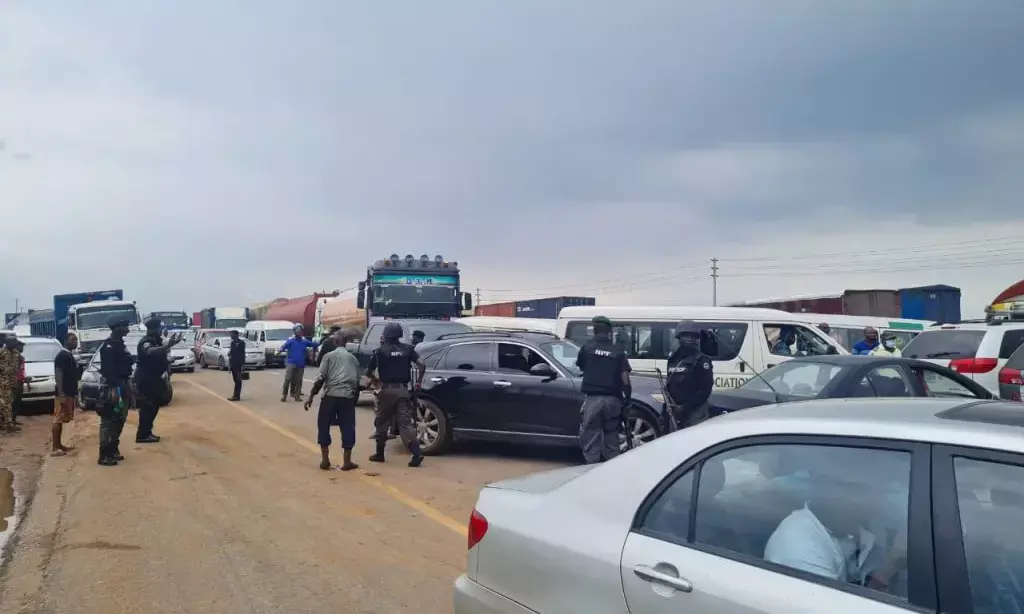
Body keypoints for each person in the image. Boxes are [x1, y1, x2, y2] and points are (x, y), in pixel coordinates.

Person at [365, 322, 425, 467]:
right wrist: (418, 382)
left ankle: (379, 454)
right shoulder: (408, 349)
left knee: (382, 422)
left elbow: (368, 372)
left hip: (386, 391)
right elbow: (422, 364)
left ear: (385, 335)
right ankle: (417, 454)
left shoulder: (379, 351)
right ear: (400, 334)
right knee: (405, 423)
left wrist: (375, 380)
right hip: (403, 390)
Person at [574, 315, 631, 464]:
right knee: (612, 439)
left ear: (594, 331)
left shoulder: (586, 348)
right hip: (613, 401)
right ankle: (613, 470)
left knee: (590, 438)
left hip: (593, 401)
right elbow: (625, 379)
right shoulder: (618, 351)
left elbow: (581, 366)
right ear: (609, 332)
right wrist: (627, 399)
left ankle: (591, 470)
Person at [305, 328, 361, 471]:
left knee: (323, 425)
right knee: (348, 427)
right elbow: (357, 384)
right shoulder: (353, 359)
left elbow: (320, 379)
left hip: (330, 396)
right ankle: (347, 461)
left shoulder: (328, 357)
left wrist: (311, 396)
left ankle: (325, 460)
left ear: (335, 342)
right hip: (347, 397)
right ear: (346, 343)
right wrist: (353, 401)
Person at [135, 317, 182, 443]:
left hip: (154, 378)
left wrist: (168, 359)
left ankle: (147, 431)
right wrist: (167, 346)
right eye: (159, 327)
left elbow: (157, 357)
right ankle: (142, 435)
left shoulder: (156, 340)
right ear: (152, 329)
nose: (161, 329)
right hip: (146, 378)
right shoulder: (146, 341)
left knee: (154, 405)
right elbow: (150, 352)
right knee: (147, 406)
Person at [97, 318, 135, 465]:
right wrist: (115, 390)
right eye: (124, 326)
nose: (127, 328)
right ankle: (104, 454)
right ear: (116, 328)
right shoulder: (109, 347)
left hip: (122, 384)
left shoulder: (120, 344)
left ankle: (113, 449)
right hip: (113, 387)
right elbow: (109, 371)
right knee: (108, 421)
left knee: (120, 418)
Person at [666, 320, 715, 429]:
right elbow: (669, 384)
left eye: (693, 337)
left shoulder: (702, 360)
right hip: (675, 410)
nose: (690, 339)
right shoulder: (673, 359)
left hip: (695, 411)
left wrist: (686, 408)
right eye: (686, 336)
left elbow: (705, 390)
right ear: (679, 337)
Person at [52, 333, 80, 456]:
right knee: (58, 419)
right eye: (73, 340)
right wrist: (62, 394)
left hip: (69, 392)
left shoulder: (68, 355)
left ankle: (59, 445)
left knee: (63, 418)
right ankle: (54, 448)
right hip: (63, 393)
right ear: (66, 341)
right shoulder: (62, 356)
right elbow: (59, 374)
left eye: (76, 340)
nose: (76, 342)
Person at [280, 324, 319, 402]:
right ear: (294, 332)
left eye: (300, 332)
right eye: (297, 331)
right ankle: (284, 395)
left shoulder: (304, 342)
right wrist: (280, 349)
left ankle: (297, 396)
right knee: (287, 379)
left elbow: (314, 344)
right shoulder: (290, 341)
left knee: (299, 381)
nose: (299, 333)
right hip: (291, 363)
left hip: (300, 364)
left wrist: (322, 341)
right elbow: (283, 347)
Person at [0, 336, 20, 433]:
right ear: (7, 343)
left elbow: (16, 367)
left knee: (10, 402)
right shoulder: (1, 352)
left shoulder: (16, 352)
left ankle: (5, 423)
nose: (15, 343)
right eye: (13, 341)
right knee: (6, 403)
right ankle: (9, 425)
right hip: (3, 381)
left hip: (12, 381)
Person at [227, 329, 246, 401]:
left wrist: (243, 364)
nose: (231, 336)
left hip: (239, 364)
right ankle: (236, 395)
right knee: (235, 380)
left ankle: (236, 396)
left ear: (236, 335)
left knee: (238, 380)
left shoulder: (242, 343)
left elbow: (243, 354)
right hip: (233, 364)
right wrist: (229, 364)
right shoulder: (232, 343)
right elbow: (231, 354)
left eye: (232, 334)